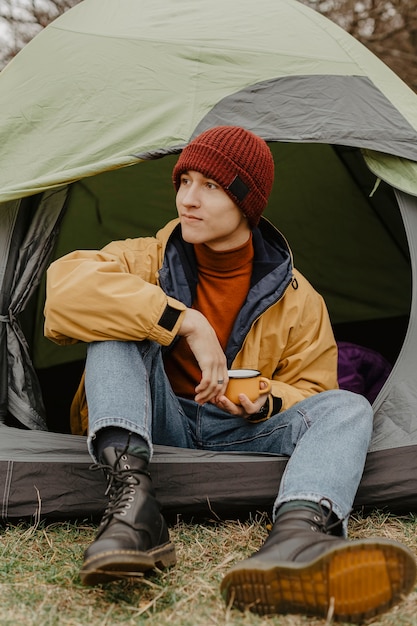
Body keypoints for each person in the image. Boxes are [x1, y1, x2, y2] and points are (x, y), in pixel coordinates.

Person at [44, 126, 416, 622]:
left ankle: (296, 537)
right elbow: (65, 295)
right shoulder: (142, 258)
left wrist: (265, 399)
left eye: (211, 186)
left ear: (247, 203)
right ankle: (133, 510)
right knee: (114, 326)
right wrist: (184, 322)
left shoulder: (298, 298)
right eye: (184, 182)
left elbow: (313, 391)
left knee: (348, 406)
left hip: (241, 430)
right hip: (156, 419)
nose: (188, 200)